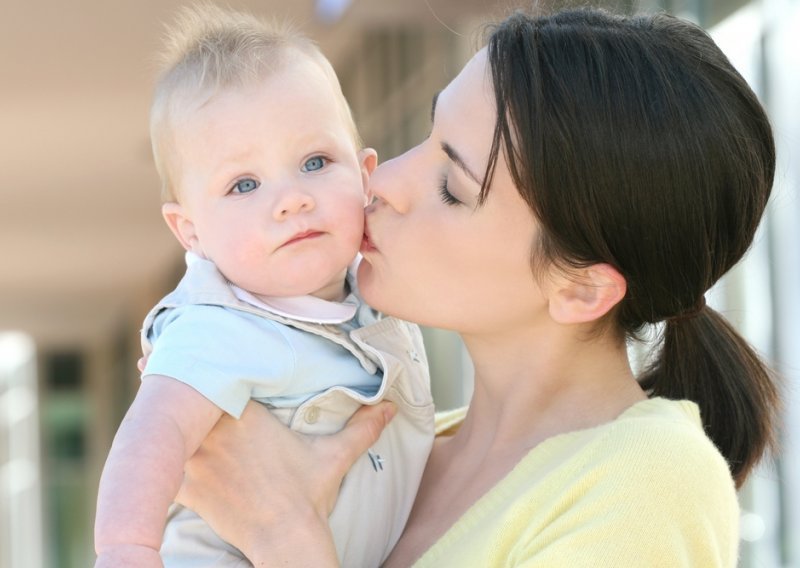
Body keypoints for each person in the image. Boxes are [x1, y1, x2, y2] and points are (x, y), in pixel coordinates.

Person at [171, 6, 781, 567]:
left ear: (581, 288)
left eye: (452, 187)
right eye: (428, 134)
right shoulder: (394, 447)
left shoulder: (646, 482)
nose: (384, 181)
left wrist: (282, 531)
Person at [93, 5, 435, 568]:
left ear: (366, 173)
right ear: (191, 230)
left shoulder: (381, 300)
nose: (291, 198)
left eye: (316, 161)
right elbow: (149, 437)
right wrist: (126, 548)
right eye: (244, 184)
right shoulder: (218, 326)